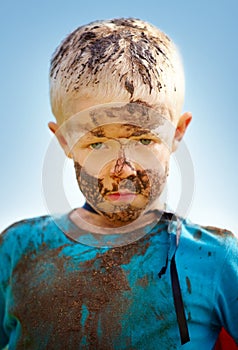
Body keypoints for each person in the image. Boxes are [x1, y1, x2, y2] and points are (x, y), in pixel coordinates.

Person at [0, 18, 237, 349]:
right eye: (97, 144)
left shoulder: (216, 259)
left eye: (142, 140)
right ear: (64, 141)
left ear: (177, 134)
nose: (123, 170)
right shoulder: (17, 249)